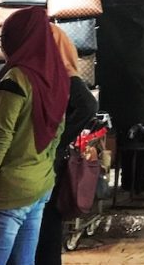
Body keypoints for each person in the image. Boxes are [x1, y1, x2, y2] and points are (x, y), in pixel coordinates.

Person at [0, 7, 69, 265]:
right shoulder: (55, 76)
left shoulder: (15, 80)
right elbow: (56, 132)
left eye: (5, 38)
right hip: (39, 184)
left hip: (7, 194)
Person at [35, 25, 99, 265]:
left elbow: (87, 106)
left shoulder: (62, 74)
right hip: (48, 163)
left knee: (47, 227)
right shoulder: (51, 74)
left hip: (49, 164)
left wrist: (56, 141)